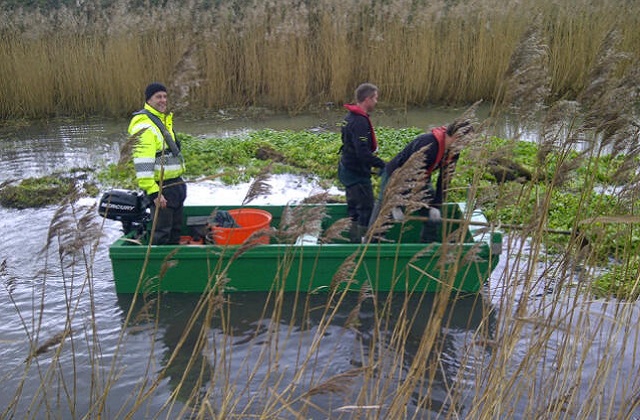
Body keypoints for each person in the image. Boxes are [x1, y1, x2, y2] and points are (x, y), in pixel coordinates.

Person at [370, 120, 473, 242]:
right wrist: (397, 204)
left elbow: (445, 180)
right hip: (396, 175)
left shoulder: (453, 152)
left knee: (432, 215)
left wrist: (436, 205)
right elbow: (409, 173)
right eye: (466, 141)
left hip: (421, 179)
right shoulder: (428, 144)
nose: (466, 145)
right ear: (457, 137)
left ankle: (427, 245)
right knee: (384, 212)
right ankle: (371, 242)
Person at [128, 82, 186, 245]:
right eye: (158, 97)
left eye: (165, 96)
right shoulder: (145, 126)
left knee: (175, 231)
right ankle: (158, 269)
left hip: (175, 185)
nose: (162, 100)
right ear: (148, 100)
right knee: (162, 234)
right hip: (162, 188)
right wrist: (155, 193)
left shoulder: (162, 121)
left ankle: (173, 266)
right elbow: (142, 163)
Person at [338, 83, 386, 243]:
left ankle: (353, 240)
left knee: (354, 211)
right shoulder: (360, 122)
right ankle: (363, 244)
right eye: (375, 98)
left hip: (347, 170)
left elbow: (349, 144)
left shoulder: (348, 118)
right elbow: (362, 151)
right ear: (367, 99)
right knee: (366, 210)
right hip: (356, 175)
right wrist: (383, 164)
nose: (376, 102)